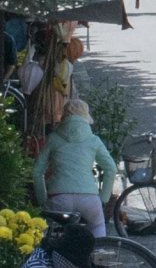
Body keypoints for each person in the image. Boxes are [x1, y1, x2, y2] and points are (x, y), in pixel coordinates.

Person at [32, 99, 116, 238]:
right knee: (98, 226)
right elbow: (111, 169)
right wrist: (103, 199)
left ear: (64, 116)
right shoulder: (93, 140)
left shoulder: (53, 139)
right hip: (89, 198)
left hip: (59, 198)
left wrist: (43, 200)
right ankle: (98, 253)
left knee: (49, 234)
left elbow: (37, 172)